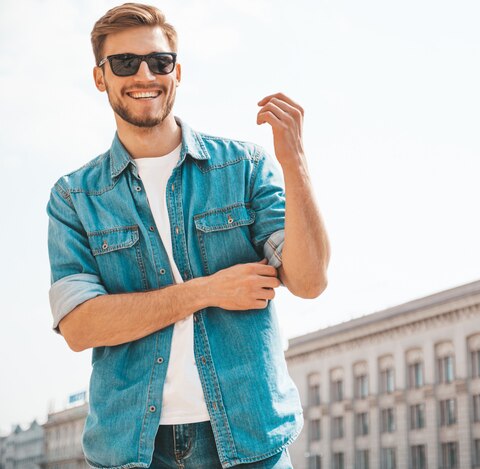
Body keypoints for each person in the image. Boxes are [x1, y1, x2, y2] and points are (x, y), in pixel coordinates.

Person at [46, 3, 330, 468]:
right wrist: (210, 291)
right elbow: (80, 326)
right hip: (132, 449)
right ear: (100, 77)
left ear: (177, 73)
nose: (144, 74)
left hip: (251, 440)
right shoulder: (75, 196)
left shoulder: (244, 167)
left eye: (159, 62)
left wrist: (294, 162)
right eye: (124, 63)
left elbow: (309, 280)